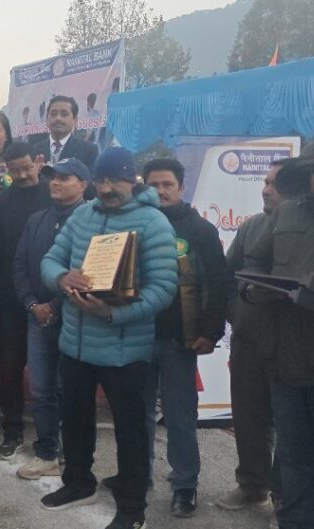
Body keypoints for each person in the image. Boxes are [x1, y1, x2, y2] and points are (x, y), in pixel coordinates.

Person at [39, 147, 177, 529]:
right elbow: (50, 259)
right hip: (76, 343)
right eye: (100, 180)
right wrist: (61, 277)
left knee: (130, 432)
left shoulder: (153, 223)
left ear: (131, 180)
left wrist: (113, 313)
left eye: (114, 180)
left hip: (124, 350)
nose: (106, 188)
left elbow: (163, 289)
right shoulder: (83, 214)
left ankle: (132, 509)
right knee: (74, 419)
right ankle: (77, 483)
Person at [243, 125, 314, 529]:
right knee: (295, 465)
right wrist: (254, 289)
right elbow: (255, 261)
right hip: (287, 363)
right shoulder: (286, 212)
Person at [129, 158, 234, 517]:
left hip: (180, 340)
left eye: (167, 185)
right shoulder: (135, 224)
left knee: (180, 417)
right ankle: (138, 475)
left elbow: (218, 283)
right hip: (138, 335)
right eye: (153, 185)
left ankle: (185, 485)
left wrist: (210, 331)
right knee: (137, 413)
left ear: (181, 187)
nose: (160, 191)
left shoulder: (199, 229)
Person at [11, 158, 90, 480]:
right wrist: (33, 304)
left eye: (65, 178)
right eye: (53, 177)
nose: (55, 182)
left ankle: (74, 456)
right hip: (37, 317)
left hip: (76, 317)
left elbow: (89, 272)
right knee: (42, 388)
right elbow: (19, 264)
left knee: (72, 390)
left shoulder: (92, 221)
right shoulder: (37, 220)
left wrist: (55, 306)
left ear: (83, 185)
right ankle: (46, 452)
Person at [218, 159, 286, 515]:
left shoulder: (310, 231)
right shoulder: (251, 227)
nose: (266, 189)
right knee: (248, 418)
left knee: (291, 426)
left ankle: (285, 498)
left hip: (292, 346)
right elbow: (227, 277)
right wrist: (237, 313)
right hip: (248, 343)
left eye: (275, 183)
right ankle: (252, 486)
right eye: (265, 181)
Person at [0, 142, 53, 460]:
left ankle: (51, 435)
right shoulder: (1, 203)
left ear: (38, 162)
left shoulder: (55, 194)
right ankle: (12, 430)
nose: (22, 175)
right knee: (9, 368)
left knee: (49, 371)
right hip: (9, 299)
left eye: (26, 168)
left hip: (50, 298)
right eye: (15, 170)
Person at [32, 95, 99, 169]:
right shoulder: (34, 151)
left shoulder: (89, 150)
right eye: (53, 114)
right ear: (47, 119)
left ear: (75, 120)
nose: (58, 118)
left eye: (64, 114)